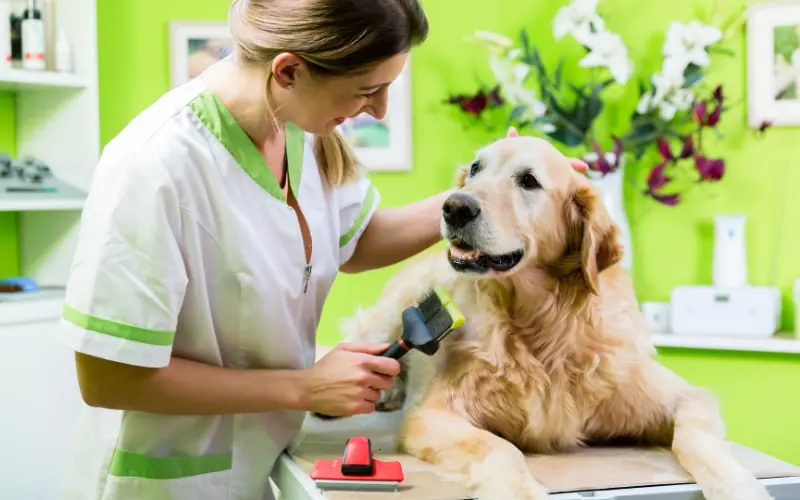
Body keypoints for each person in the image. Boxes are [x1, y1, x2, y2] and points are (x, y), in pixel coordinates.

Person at [58, 0, 588, 498]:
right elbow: (108, 378)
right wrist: (303, 388)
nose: (378, 110)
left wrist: (483, 202)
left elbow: (357, 241)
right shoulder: (153, 168)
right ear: (289, 71)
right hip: (161, 480)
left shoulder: (297, 131)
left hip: (257, 465)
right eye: (367, 90)